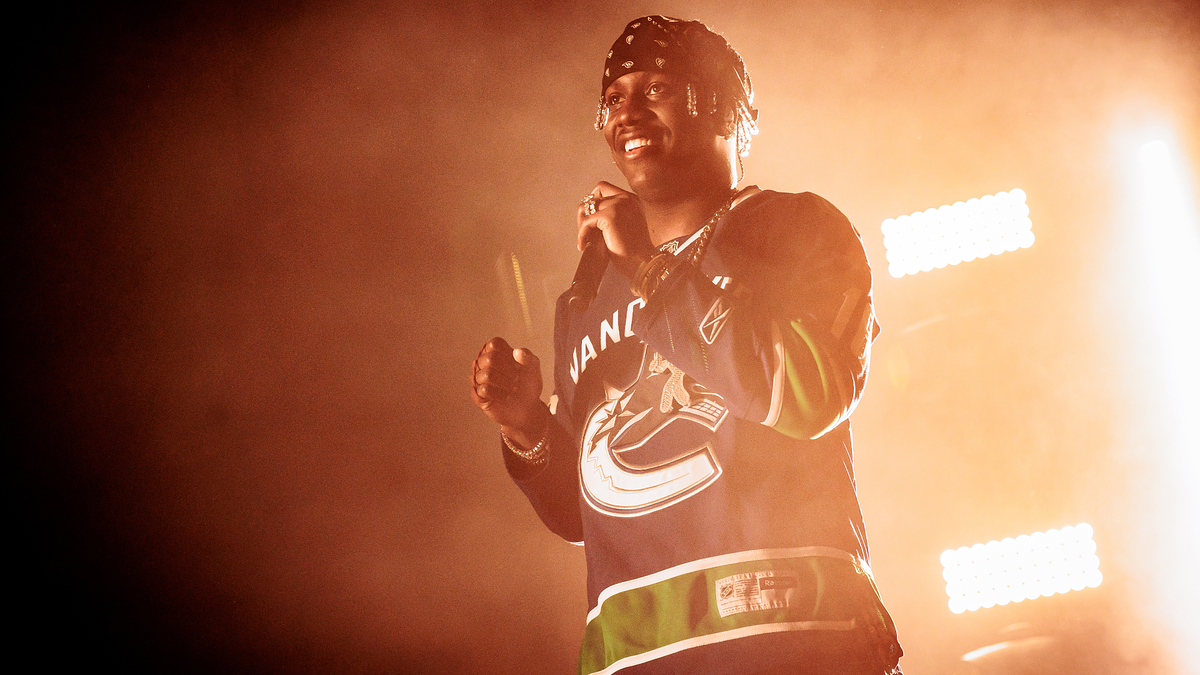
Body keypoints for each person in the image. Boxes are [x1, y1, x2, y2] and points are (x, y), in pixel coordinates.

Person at [471, 15, 902, 675]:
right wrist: (526, 426)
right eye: (614, 98)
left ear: (720, 105)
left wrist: (647, 268)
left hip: (799, 645)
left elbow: (810, 396)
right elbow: (585, 512)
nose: (627, 112)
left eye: (656, 90)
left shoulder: (796, 226)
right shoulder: (587, 294)